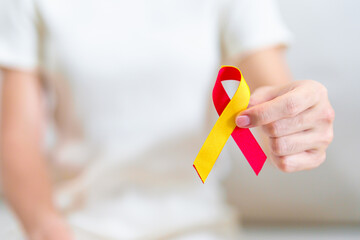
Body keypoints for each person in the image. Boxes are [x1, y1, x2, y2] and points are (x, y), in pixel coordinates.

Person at [0, 0, 334, 239]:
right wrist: (48, 230)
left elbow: (271, 93)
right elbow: (17, 135)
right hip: (73, 224)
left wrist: (297, 119)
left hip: (195, 226)